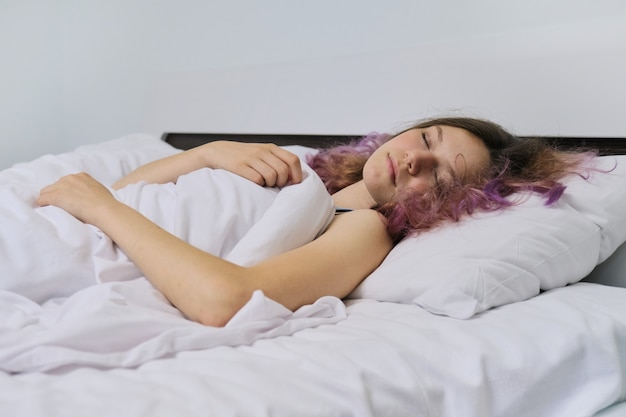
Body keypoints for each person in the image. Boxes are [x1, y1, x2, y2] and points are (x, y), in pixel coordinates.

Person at [36, 117, 592, 327]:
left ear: (449, 206)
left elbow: (224, 301)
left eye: (440, 177)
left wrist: (101, 208)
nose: (415, 159)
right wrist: (205, 154)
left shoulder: (362, 227)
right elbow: (131, 193)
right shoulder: (310, 172)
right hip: (61, 223)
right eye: (426, 139)